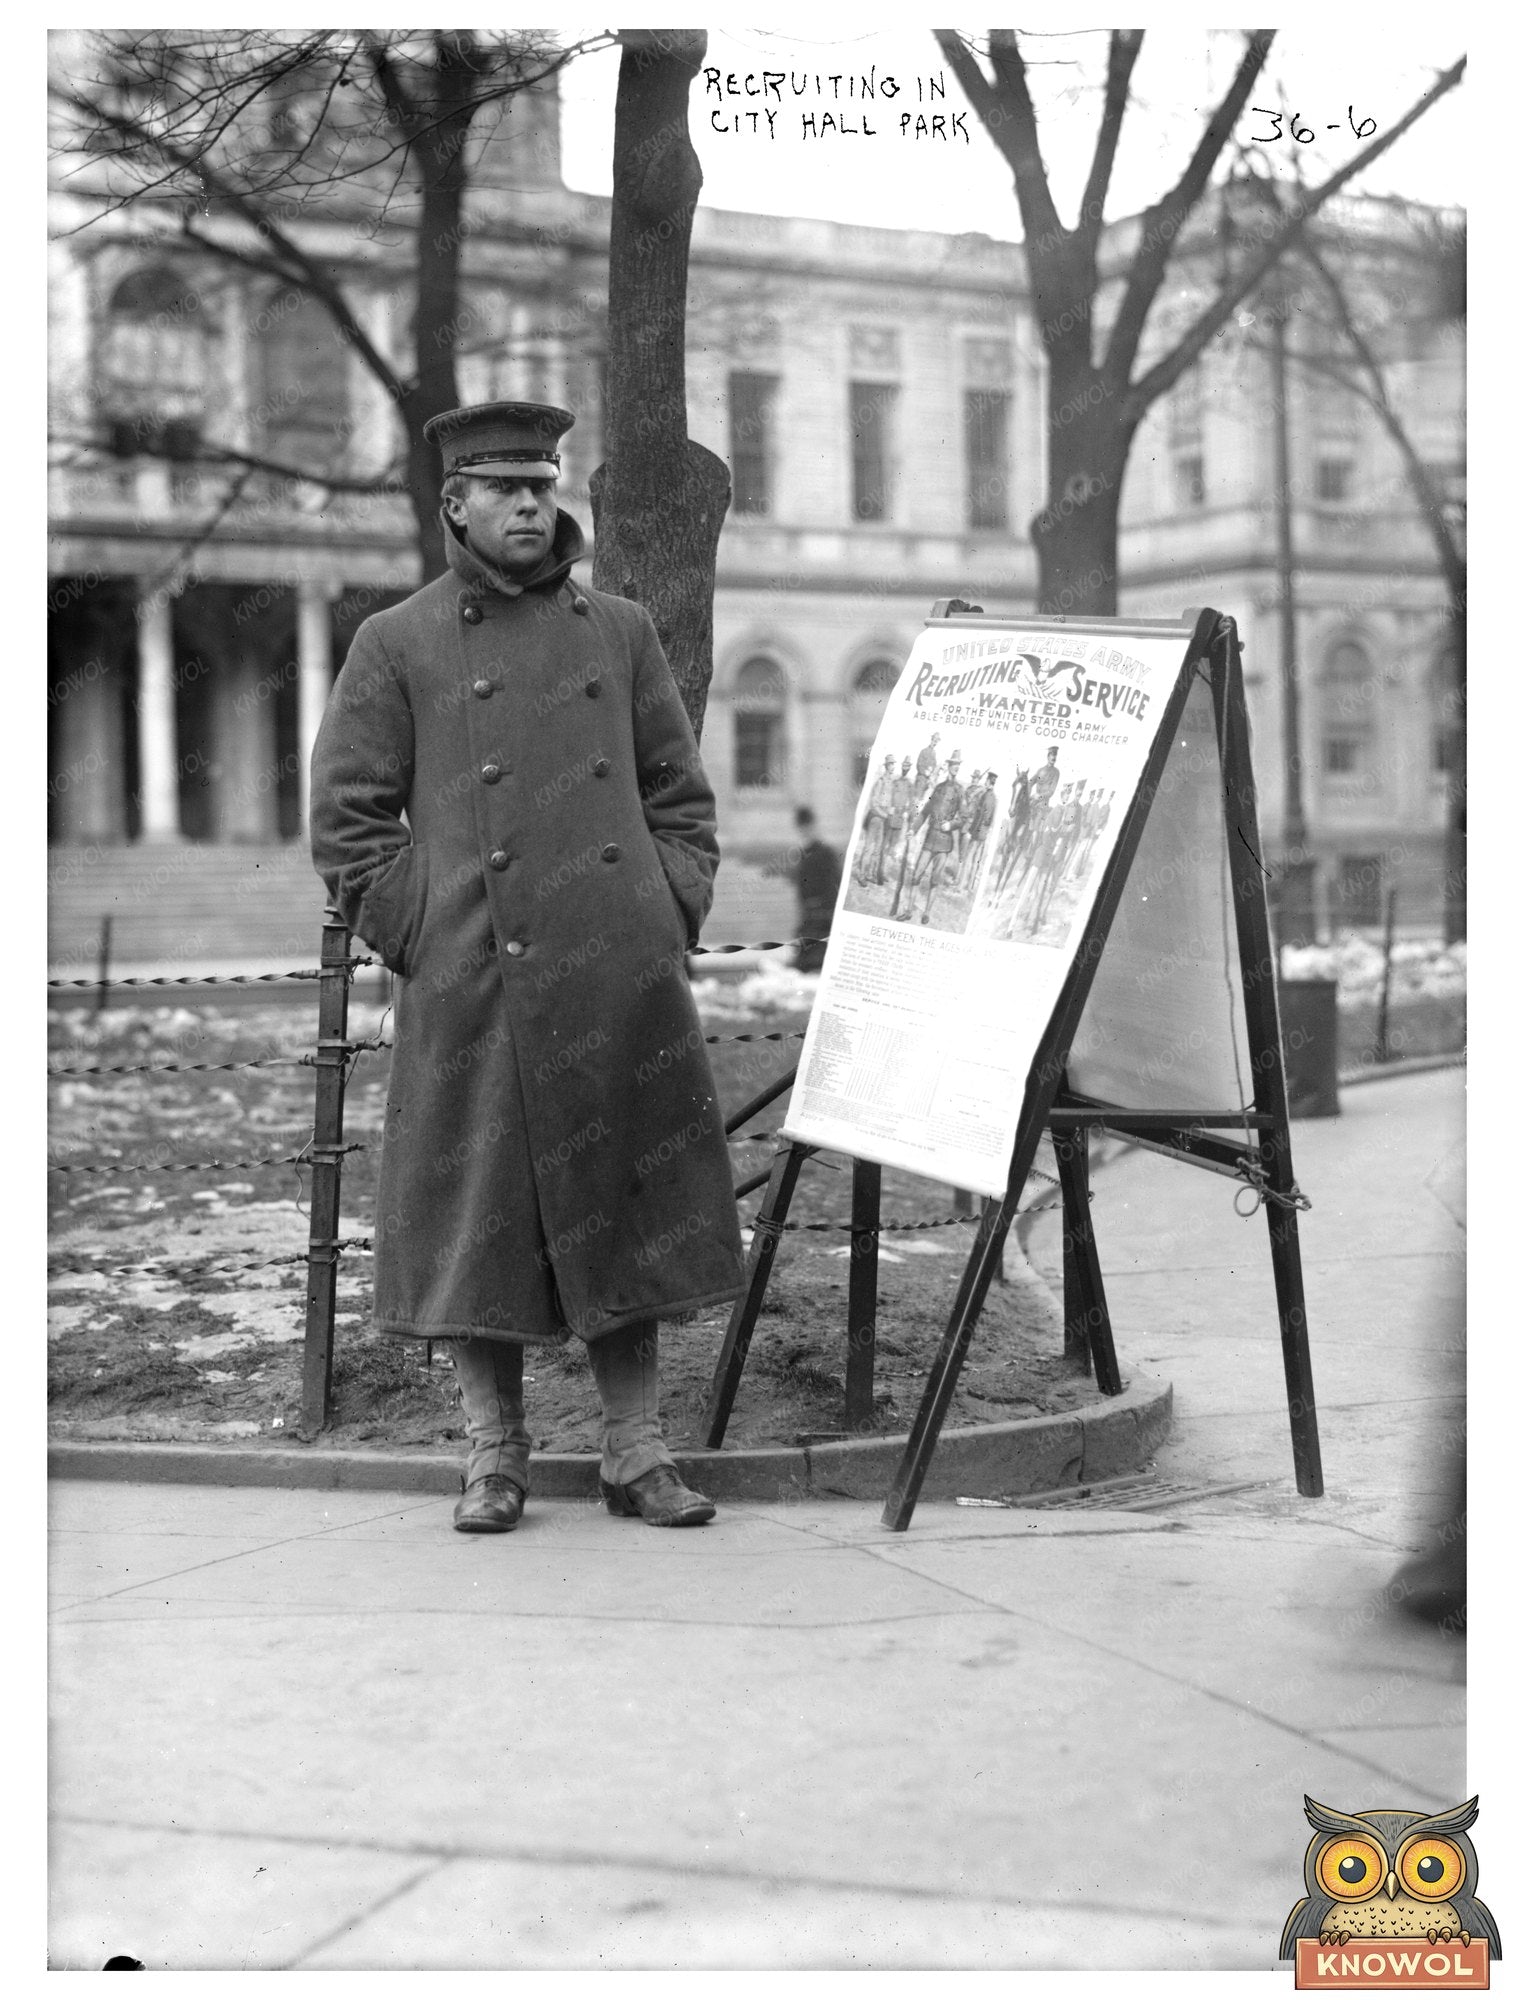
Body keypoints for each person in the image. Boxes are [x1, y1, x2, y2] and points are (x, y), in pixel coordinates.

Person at [310, 400, 745, 1535]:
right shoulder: (396, 640)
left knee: (629, 1204)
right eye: (503, 489)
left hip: (616, 978)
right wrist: (425, 930)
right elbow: (349, 820)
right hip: (476, 980)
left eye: (542, 487)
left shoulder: (621, 632)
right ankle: (492, 1453)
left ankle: (636, 1448)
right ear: (455, 505)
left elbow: (679, 800)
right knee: (481, 1219)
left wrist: (660, 908)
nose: (529, 507)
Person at [787, 806, 842, 970]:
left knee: (819, 957)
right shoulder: (802, 853)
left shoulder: (826, 853)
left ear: (813, 825)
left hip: (824, 913)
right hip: (809, 914)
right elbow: (802, 887)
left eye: (808, 826)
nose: (805, 831)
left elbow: (834, 883)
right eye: (802, 827)